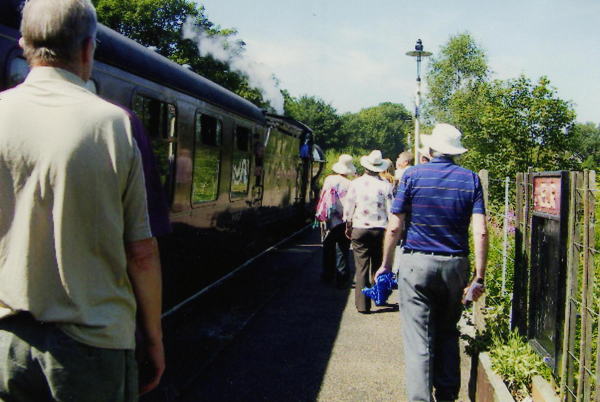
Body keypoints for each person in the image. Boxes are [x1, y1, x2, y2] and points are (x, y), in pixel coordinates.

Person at [0, 0, 164, 400]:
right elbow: (141, 254)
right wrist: (154, 339)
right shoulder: (115, 126)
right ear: (89, 48)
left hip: (5, 344)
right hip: (92, 347)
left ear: (24, 44)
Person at [375, 124, 488, 401]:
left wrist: (385, 265)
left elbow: (394, 226)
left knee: (419, 343)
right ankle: (447, 396)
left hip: (417, 264)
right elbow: (481, 230)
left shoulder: (412, 175)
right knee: (449, 331)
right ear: (455, 152)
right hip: (455, 266)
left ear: (431, 149)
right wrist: (479, 276)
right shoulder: (471, 180)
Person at [344, 150, 394, 314]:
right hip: (379, 230)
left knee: (361, 267)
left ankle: (363, 305)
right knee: (379, 265)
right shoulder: (385, 185)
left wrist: (348, 225)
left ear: (365, 167)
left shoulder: (355, 184)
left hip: (360, 229)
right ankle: (380, 297)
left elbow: (349, 206)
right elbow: (391, 210)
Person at [319, 154, 356, 288]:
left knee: (328, 247)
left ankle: (327, 275)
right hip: (344, 219)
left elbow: (323, 197)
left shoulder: (329, 179)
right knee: (343, 249)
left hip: (329, 219)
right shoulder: (351, 183)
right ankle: (342, 277)